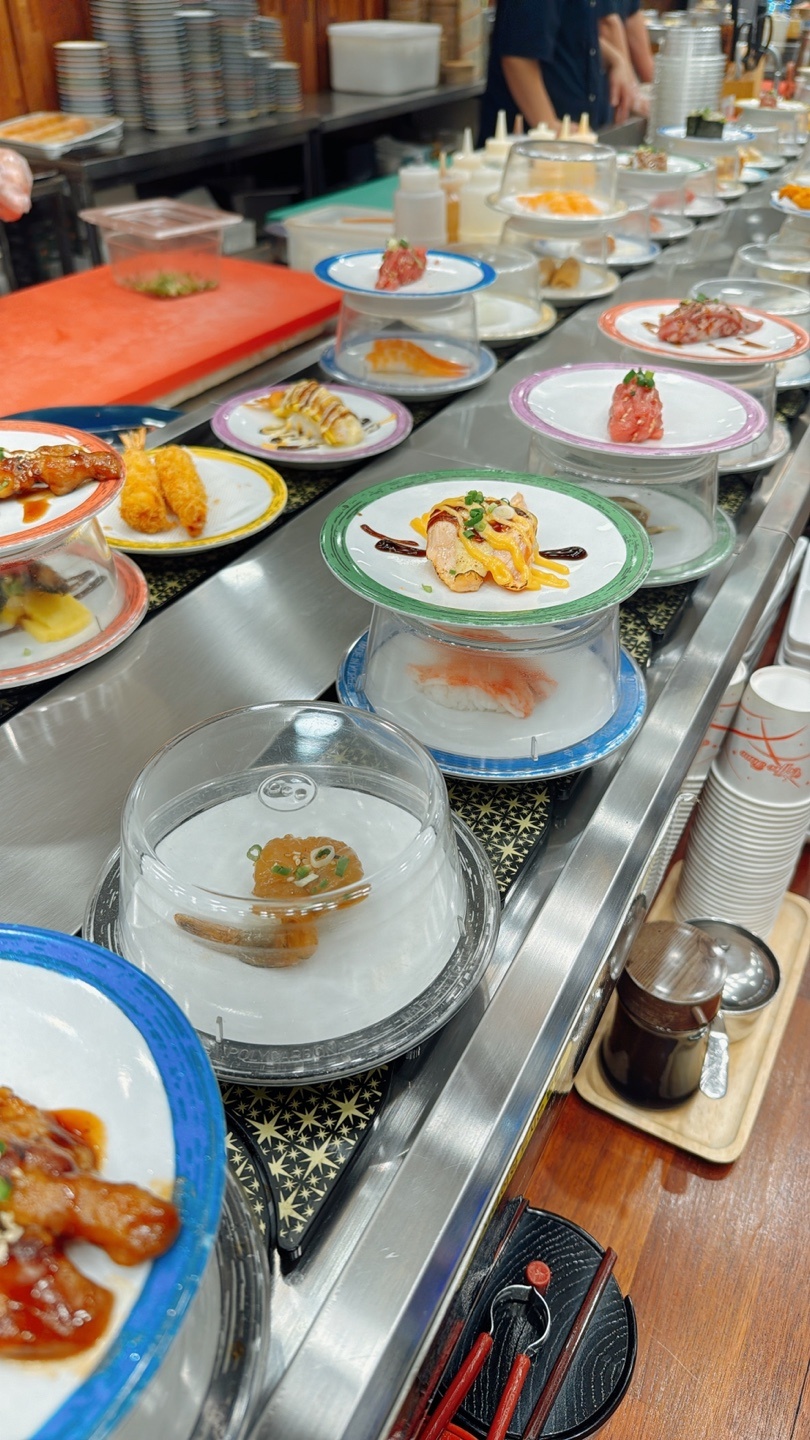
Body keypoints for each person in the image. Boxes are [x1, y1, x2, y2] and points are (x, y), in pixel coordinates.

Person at [480, 0, 637, 141]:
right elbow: (518, 56)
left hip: (573, 137)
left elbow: (574, 33)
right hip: (530, 144)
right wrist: (548, 124)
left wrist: (617, 60)